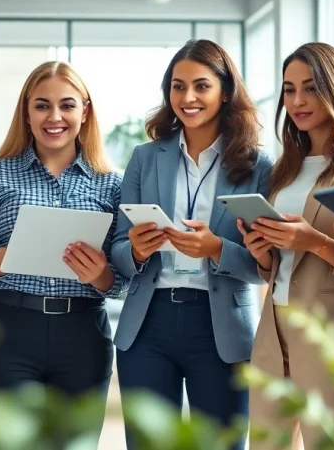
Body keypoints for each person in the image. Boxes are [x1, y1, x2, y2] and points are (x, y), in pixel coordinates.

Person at [111, 39, 273, 450]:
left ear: (225, 91)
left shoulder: (257, 165)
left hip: (220, 328)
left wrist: (217, 248)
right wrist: (137, 250)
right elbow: (116, 250)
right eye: (178, 86)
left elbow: (265, 264)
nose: (188, 97)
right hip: (148, 324)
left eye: (201, 86)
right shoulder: (145, 158)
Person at [0, 61, 126, 445]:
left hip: (83, 334)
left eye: (67, 105)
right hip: (6, 330)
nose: (55, 117)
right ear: (26, 113)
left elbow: (124, 283)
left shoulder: (114, 185)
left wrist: (100, 275)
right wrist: (8, 257)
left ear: (85, 112)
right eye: (42, 105)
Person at [240, 43, 334, 450]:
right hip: (273, 323)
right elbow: (279, 262)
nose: (297, 101)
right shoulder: (284, 169)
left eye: (310, 88)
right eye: (289, 89)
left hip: (331, 324)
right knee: (266, 443)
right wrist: (262, 251)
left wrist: (314, 242)